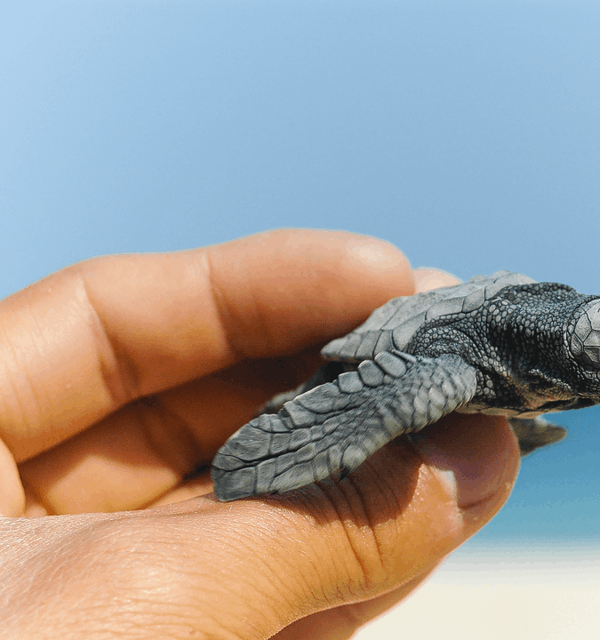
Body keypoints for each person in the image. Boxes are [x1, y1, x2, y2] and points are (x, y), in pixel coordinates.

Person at [0, 230, 519, 639]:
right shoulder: (461, 369)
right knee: (409, 395)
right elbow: (424, 381)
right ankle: (291, 437)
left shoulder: (545, 353)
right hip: (416, 346)